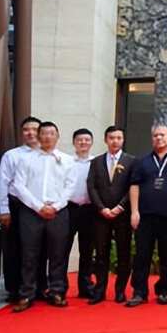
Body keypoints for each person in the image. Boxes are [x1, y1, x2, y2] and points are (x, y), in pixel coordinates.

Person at [11, 122, 76, 312]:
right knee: (29, 254)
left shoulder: (67, 160)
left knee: (58, 254)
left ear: (57, 136)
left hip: (59, 211)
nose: (47, 137)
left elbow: (70, 187)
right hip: (31, 212)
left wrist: (55, 206)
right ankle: (26, 294)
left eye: (51, 133)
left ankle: (56, 291)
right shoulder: (27, 159)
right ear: (38, 137)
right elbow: (19, 186)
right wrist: (38, 206)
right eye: (44, 133)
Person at [126, 124, 167, 307]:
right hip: (145, 215)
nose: (158, 138)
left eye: (162, 135)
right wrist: (134, 211)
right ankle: (139, 292)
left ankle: (163, 290)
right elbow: (134, 185)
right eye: (155, 135)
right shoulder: (142, 161)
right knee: (141, 255)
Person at [0, 116, 46, 302]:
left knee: (40, 248)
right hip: (16, 206)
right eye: (26, 129)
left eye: (34, 129)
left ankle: (40, 287)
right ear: (22, 133)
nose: (31, 133)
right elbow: (2, 183)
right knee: (15, 248)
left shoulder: (47, 154)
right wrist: (4, 209)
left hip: (40, 207)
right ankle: (15, 289)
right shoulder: (12, 155)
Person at [86, 126, 135, 304]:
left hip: (122, 215)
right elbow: (91, 186)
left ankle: (120, 291)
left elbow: (133, 187)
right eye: (111, 138)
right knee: (100, 254)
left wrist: (120, 207)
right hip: (101, 215)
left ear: (123, 140)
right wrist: (101, 208)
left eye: (118, 138)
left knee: (123, 254)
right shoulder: (96, 161)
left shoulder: (131, 161)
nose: (115, 141)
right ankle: (99, 291)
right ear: (106, 139)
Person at [65, 128, 96, 299]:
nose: (83, 143)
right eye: (79, 140)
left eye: (86, 140)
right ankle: (60, 286)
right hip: (69, 208)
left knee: (87, 249)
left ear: (91, 142)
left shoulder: (96, 162)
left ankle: (85, 286)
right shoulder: (66, 161)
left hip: (89, 210)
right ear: (74, 142)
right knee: (63, 248)